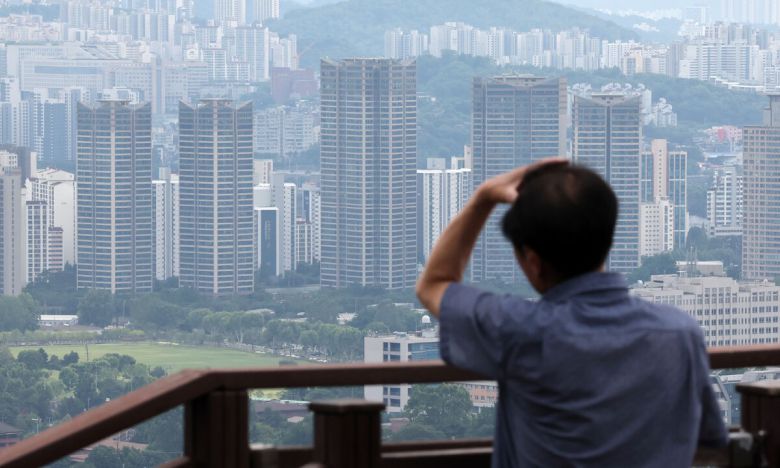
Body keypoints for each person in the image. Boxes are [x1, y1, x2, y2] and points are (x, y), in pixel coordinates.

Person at [416, 159, 728, 467]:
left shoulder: (518, 329)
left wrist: (482, 198)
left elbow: (433, 285)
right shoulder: (679, 334)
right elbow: (708, 440)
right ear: (607, 237)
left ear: (533, 262)